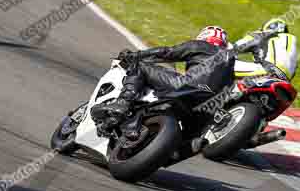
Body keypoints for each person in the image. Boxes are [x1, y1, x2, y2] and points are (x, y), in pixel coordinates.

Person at [90, 26, 234, 133]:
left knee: (140, 66)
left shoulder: (201, 45)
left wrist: (136, 56)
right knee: (191, 135)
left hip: (186, 86)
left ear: (204, 36)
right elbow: (229, 88)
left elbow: (167, 53)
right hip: (208, 106)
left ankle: (123, 103)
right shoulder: (230, 61)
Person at [233, 18, 300, 80]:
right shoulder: (293, 45)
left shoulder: (265, 34)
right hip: (284, 81)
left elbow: (236, 47)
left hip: (267, 70)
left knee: (227, 64)